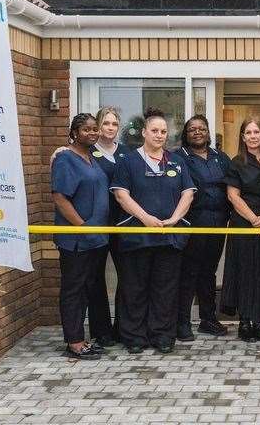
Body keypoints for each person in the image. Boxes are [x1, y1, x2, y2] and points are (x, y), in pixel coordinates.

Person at [110, 108, 196, 355]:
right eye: (155, 131)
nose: (159, 135)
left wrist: (174, 219)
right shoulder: (127, 161)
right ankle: (134, 336)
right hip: (137, 236)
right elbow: (121, 194)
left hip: (169, 237)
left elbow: (188, 193)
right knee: (134, 289)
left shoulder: (177, 161)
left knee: (165, 290)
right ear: (145, 132)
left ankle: (162, 335)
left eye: (163, 131)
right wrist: (146, 218)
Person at [51, 113, 112, 360]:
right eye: (86, 130)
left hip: (96, 240)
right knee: (73, 290)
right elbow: (59, 197)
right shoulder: (65, 158)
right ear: (74, 133)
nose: (93, 133)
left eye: (94, 129)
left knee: (87, 289)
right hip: (76, 240)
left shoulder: (92, 159)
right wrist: (81, 226)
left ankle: (82, 336)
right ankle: (74, 341)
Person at [220, 117, 260, 342]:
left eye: (256, 132)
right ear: (242, 137)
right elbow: (232, 195)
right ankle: (244, 323)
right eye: (248, 132)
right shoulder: (236, 162)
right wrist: (254, 219)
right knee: (245, 273)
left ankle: (259, 323)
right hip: (243, 225)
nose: (253, 136)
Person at [172, 115, 232, 341]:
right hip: (192, 223)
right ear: (185, 134)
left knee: (208, 272)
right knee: (188, 273)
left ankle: (208, 319)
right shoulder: (178, 158)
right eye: (192, 129)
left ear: (208, 133)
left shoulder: (220, 157)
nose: (197, 132)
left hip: (218, 224)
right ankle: (182, 323)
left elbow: (232, 184)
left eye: (202, 129)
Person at [84, 106, 133, 349]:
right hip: (98, 221)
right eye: (106, 123)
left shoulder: (127, 153)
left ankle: (122, 327)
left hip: (123, 221)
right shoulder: (88, 152)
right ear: (98, 127)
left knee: (127, 275)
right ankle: (101, 330)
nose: (110, 128)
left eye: (114, 124)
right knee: (95, 277)